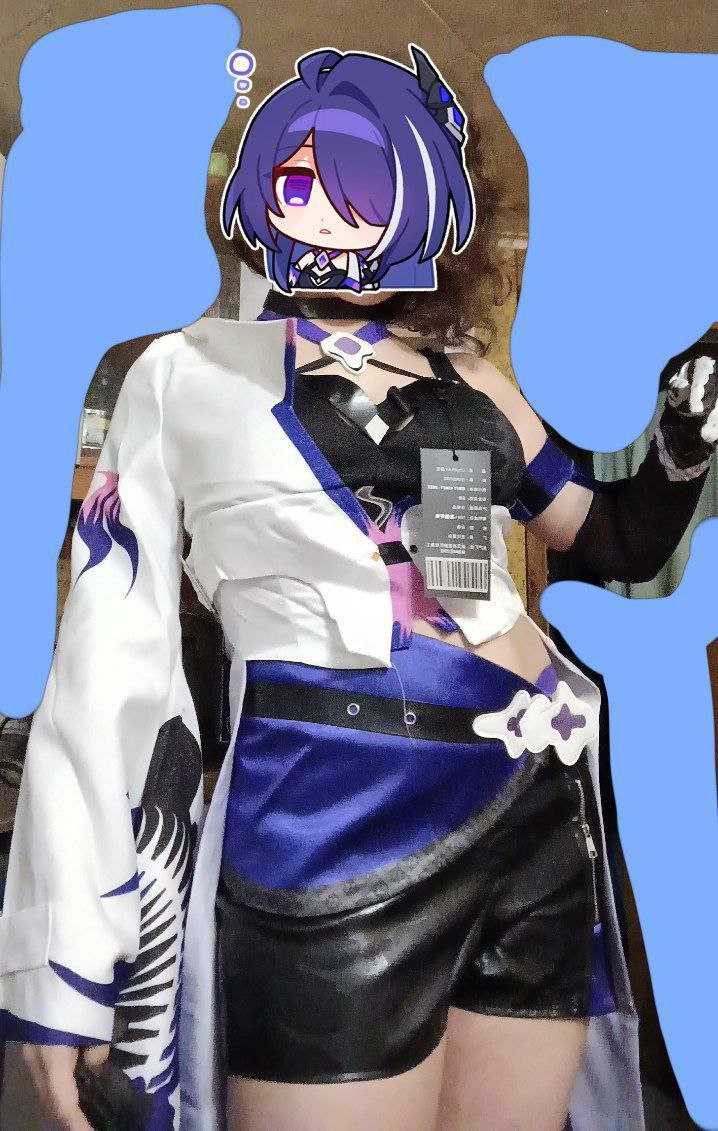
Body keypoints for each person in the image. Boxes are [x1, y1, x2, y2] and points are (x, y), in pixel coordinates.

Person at [1, 45, 717, 1131]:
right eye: (303, 184)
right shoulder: (184, 373)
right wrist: (65, 953)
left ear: (425, 208)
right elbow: (109, 653)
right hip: (335, 813)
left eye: (367, 189)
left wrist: (680, 439)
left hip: (531, 809)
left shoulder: (470, 379)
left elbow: (607, 535)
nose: (332, 216)